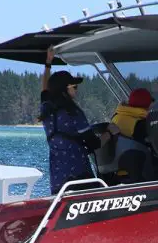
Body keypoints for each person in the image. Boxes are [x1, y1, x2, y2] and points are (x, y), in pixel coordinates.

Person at [39, 49, 118, 194]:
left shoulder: (46, 110)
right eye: (74, 87)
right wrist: (109, 132)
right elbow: (94, 144)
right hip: (80, 178)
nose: (76, 90)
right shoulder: (74, 113)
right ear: (64, 90)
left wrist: (48, 63)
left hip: (58, 181)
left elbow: (44, 90)